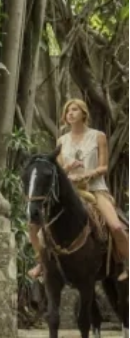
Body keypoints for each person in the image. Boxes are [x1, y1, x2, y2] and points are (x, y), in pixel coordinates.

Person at [27, 98, 128, 281]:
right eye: (67, 111)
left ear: (83, 113)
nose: (70, 113)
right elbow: (58, 171)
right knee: (35, 226)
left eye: (74, 110)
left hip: (95, 189)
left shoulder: (98, 136)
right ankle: (41, 263)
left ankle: (126, 262)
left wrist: (86, 174)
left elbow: (104, 167)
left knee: (116, 226)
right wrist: (68, 169)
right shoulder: (62, 140)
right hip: (68, 193)